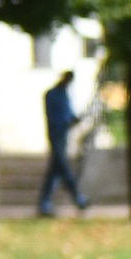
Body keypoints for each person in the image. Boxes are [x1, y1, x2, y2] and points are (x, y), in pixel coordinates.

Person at [37, 66, 90, 219]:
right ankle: (78, 197)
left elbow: (68, 114)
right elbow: (56, 118)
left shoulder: (64, 95)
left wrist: (74, 119)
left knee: (55, 172)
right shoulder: (52, 94)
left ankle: (45, 203)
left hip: (63, 135)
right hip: (56, 136)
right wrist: (68, 120)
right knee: (64, 169)